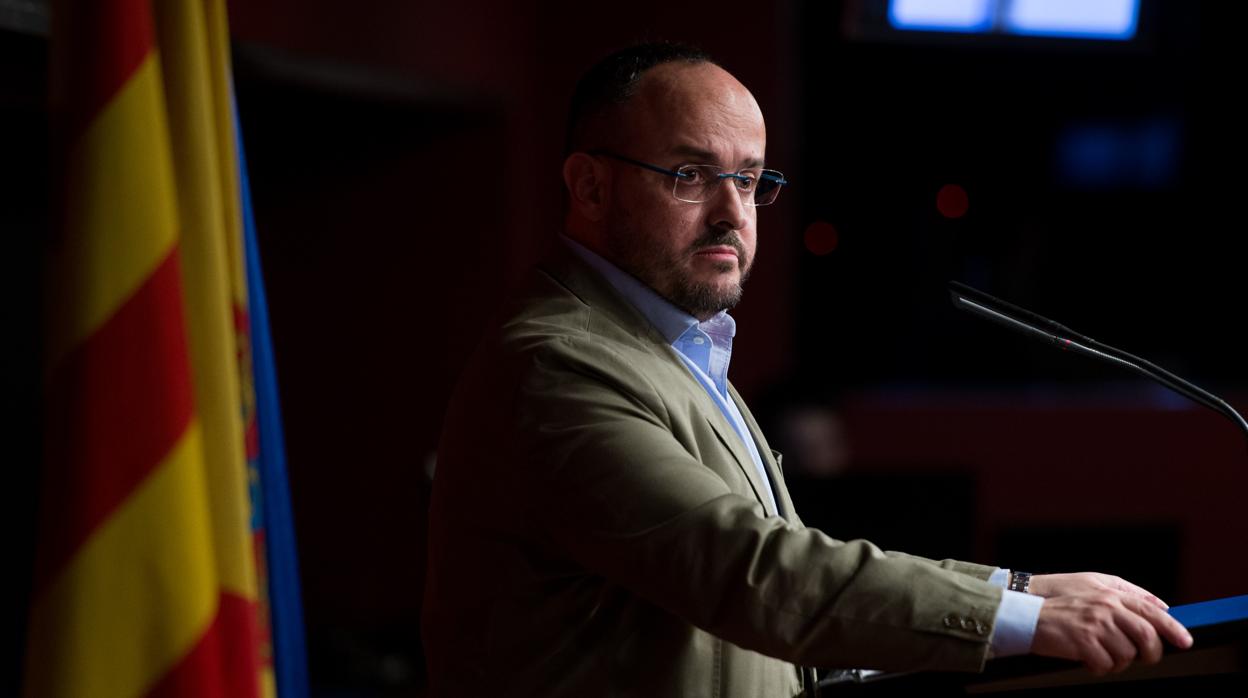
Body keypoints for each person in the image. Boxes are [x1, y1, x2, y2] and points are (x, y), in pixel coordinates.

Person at [421, 42, 1192, 697]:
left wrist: (1016, 588)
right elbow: (751, 572)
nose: (732, 212)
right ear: (589, 185)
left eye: (750, 180)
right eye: (691, 175)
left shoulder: (673, 346)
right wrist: (1025, 617)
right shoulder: (558, 364)